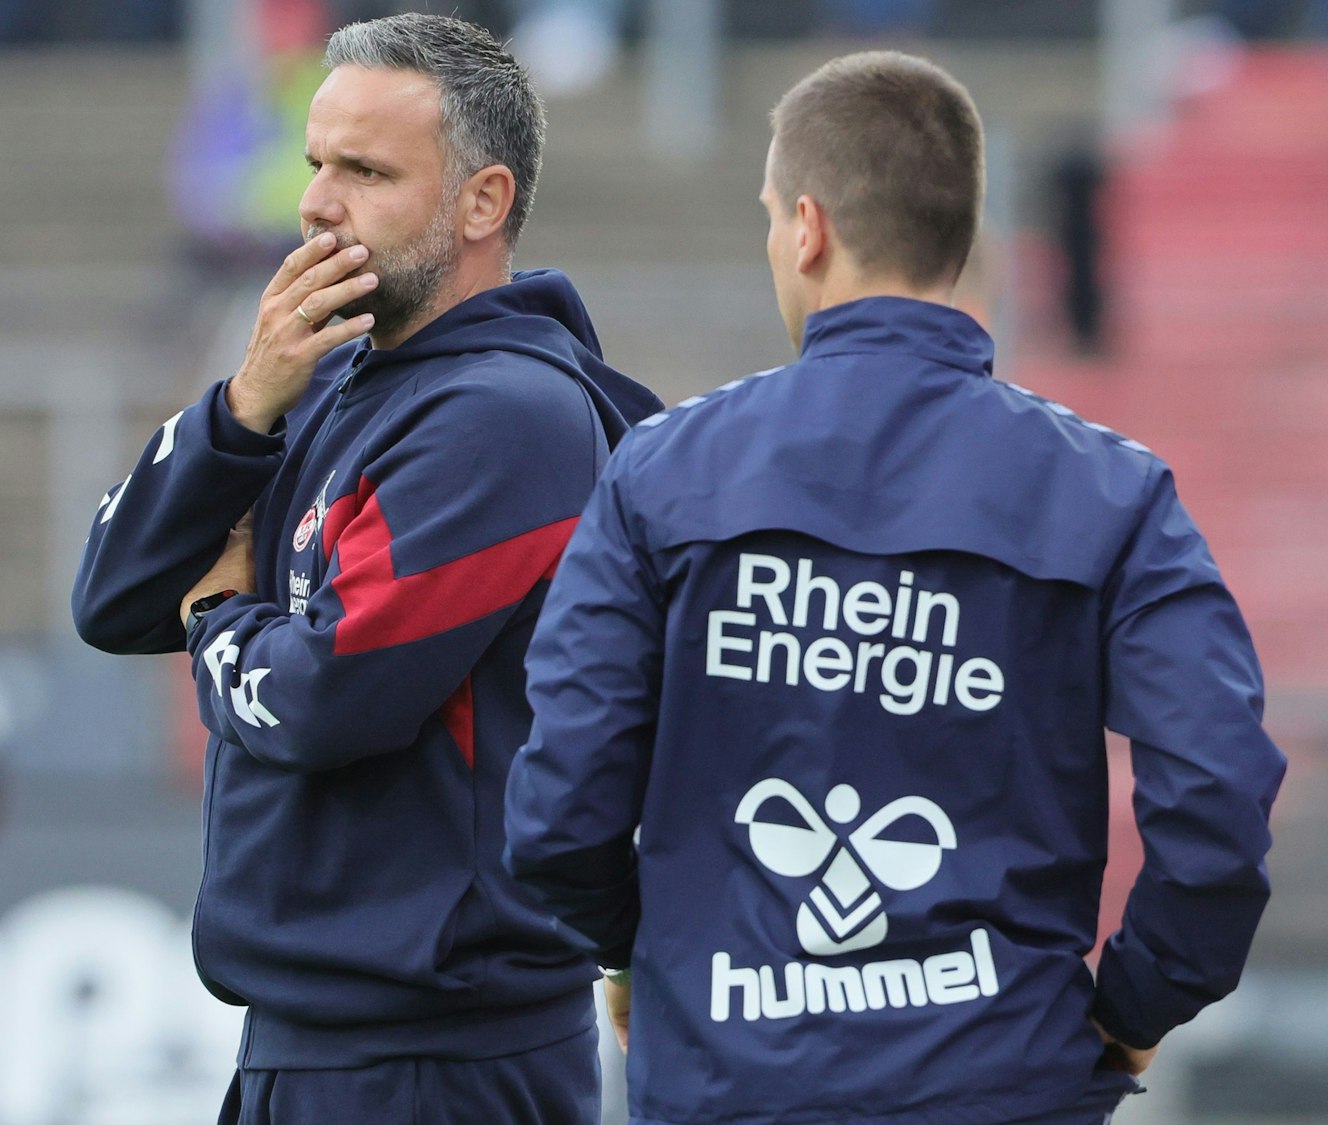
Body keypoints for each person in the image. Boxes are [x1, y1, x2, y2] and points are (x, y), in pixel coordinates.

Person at [505, 51, 1286, 1125]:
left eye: (770, 217)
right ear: (959, 236)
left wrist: (638, 954)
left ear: (808, 229)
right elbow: (1218, 795)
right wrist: (1137, 1004)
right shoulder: (1111, 491)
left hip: (727, 1079)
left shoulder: (661, 469)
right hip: (1005, 1084)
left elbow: (559, 806)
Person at [71, 13, 661, 1123]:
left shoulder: (505, 418)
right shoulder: (327, 382)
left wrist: (218, 617)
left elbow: (326, 699)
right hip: (317, 1041)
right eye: (315, 164)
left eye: (366, 172)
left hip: (437, 1058)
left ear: (482, 203)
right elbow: (111, 597)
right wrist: (241, 407)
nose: (315, 204)